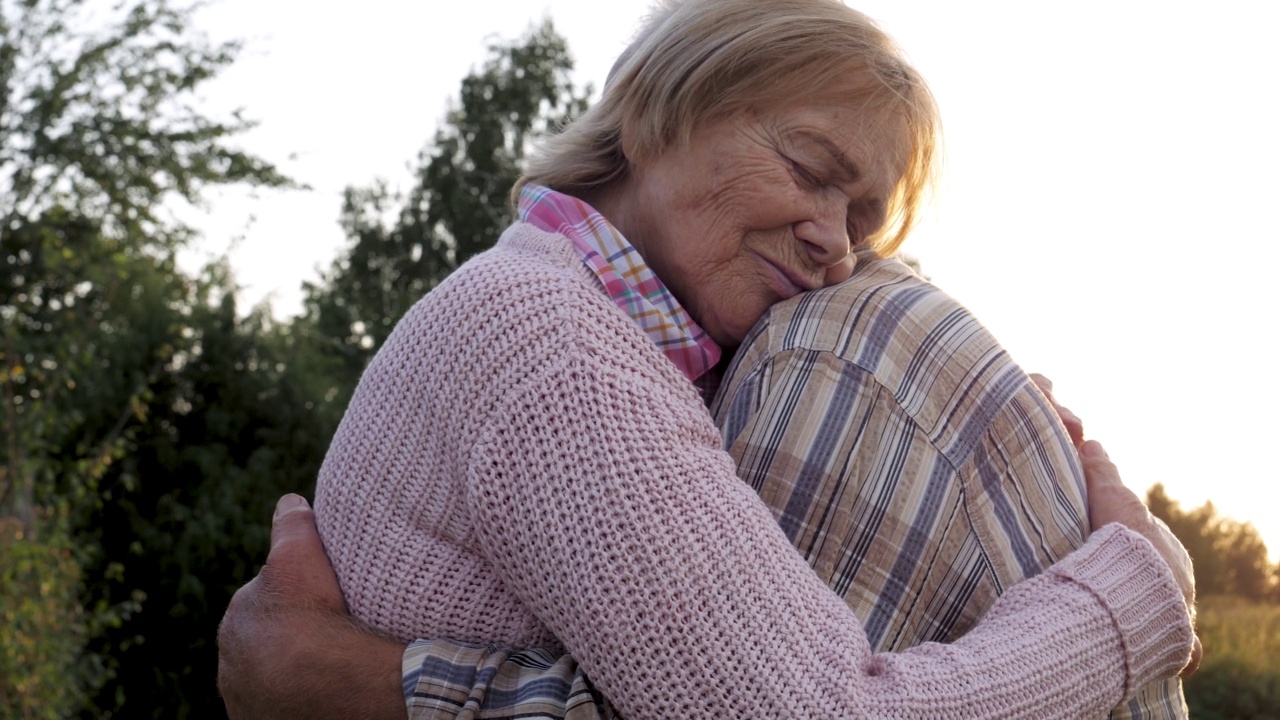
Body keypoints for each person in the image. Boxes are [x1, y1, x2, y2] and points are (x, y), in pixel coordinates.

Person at [219, 0, 1197, 717]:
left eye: (863, 217)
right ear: (659, 112)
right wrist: (1131, 600)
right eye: (811, 172)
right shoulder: (556, 344)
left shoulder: (584, 320)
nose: (834, 242)